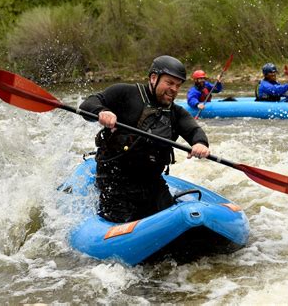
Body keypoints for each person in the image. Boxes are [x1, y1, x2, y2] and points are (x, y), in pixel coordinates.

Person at [79, 55, 211, 223]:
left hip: (151, 182)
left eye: (178, 85)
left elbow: (194, 131)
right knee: (119, 220)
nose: (174, 89)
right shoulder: (125, 93)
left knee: (170, 222)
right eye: (169, 83)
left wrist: (200, 144)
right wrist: (101, 111)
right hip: (114, 181)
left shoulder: (176, 113)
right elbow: (88, 105)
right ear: (153, 78)